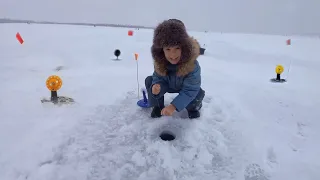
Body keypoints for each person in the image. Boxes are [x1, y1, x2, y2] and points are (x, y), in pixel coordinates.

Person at [145, 19, 205, 119]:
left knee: (196, 91)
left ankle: (193, 108)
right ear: (161, 50)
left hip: (184, 87)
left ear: (184, 47)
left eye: (177, 48)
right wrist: (158, 87)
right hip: (168, 85)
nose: (172, 55)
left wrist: (173, 106)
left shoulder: (192, 65)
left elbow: (190, 89)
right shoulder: (160, 62)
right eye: (168, 49)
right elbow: (158, 78)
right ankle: (157, 107)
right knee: (150, 81)